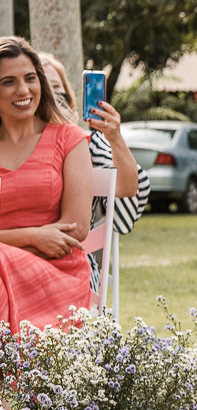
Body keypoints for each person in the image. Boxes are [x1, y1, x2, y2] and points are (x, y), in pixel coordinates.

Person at [0, 37, 93, 328]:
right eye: (8, 82)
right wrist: (33, 236)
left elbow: (75, 229)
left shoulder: (68, 138)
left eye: (30, 78)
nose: (23, 90)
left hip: (58, 273)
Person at [40, 53, 151, 292]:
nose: (52, 95)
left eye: (57, 88)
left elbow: (128, 189)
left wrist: (114, 137)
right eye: (44, 86)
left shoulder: (86, 143)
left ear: (69, 97)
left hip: (70, 263)